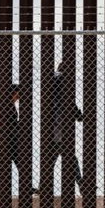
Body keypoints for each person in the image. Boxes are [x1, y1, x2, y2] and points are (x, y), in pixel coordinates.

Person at [41, 54, 83, 198]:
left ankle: (43, 186)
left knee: (51, 158)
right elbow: (68, 101)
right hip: (61, 127)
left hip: (50, 126)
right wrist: (78, 115)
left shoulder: (51, 79)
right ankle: (81, 183)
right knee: (69, 157)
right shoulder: (62, 79)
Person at [0, 82, 35, 197]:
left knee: (16, 163)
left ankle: (27, 186)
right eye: (18, 93)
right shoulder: (7, 106)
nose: (20, 96)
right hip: (8, 141)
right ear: (14, 93)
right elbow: (0, 121)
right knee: (4, 163)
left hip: (11, 140)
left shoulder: (8, 105)